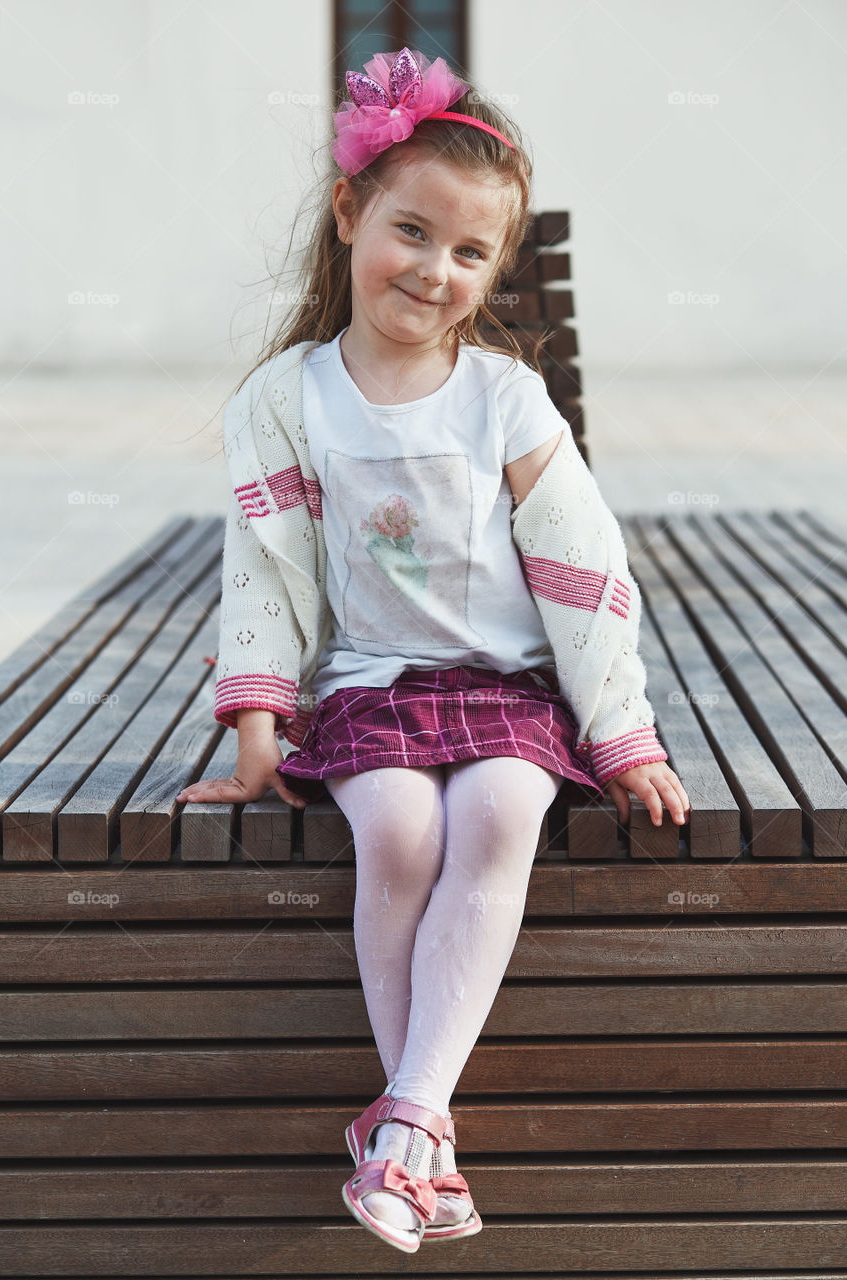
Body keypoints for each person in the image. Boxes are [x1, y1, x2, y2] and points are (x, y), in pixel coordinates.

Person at [176, 46, 691, 1254]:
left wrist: (620, 734)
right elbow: (264, 566)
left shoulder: (504, 398)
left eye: (471, 254)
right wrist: (259, 733)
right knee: (400, 833)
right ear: (351, 212)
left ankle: (406, 1119)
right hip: (369, 688)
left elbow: (581, 569)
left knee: (504, 811)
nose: (436, 270)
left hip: (509, 688)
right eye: (412, 232)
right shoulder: (287, 397)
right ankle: (424, 1139)